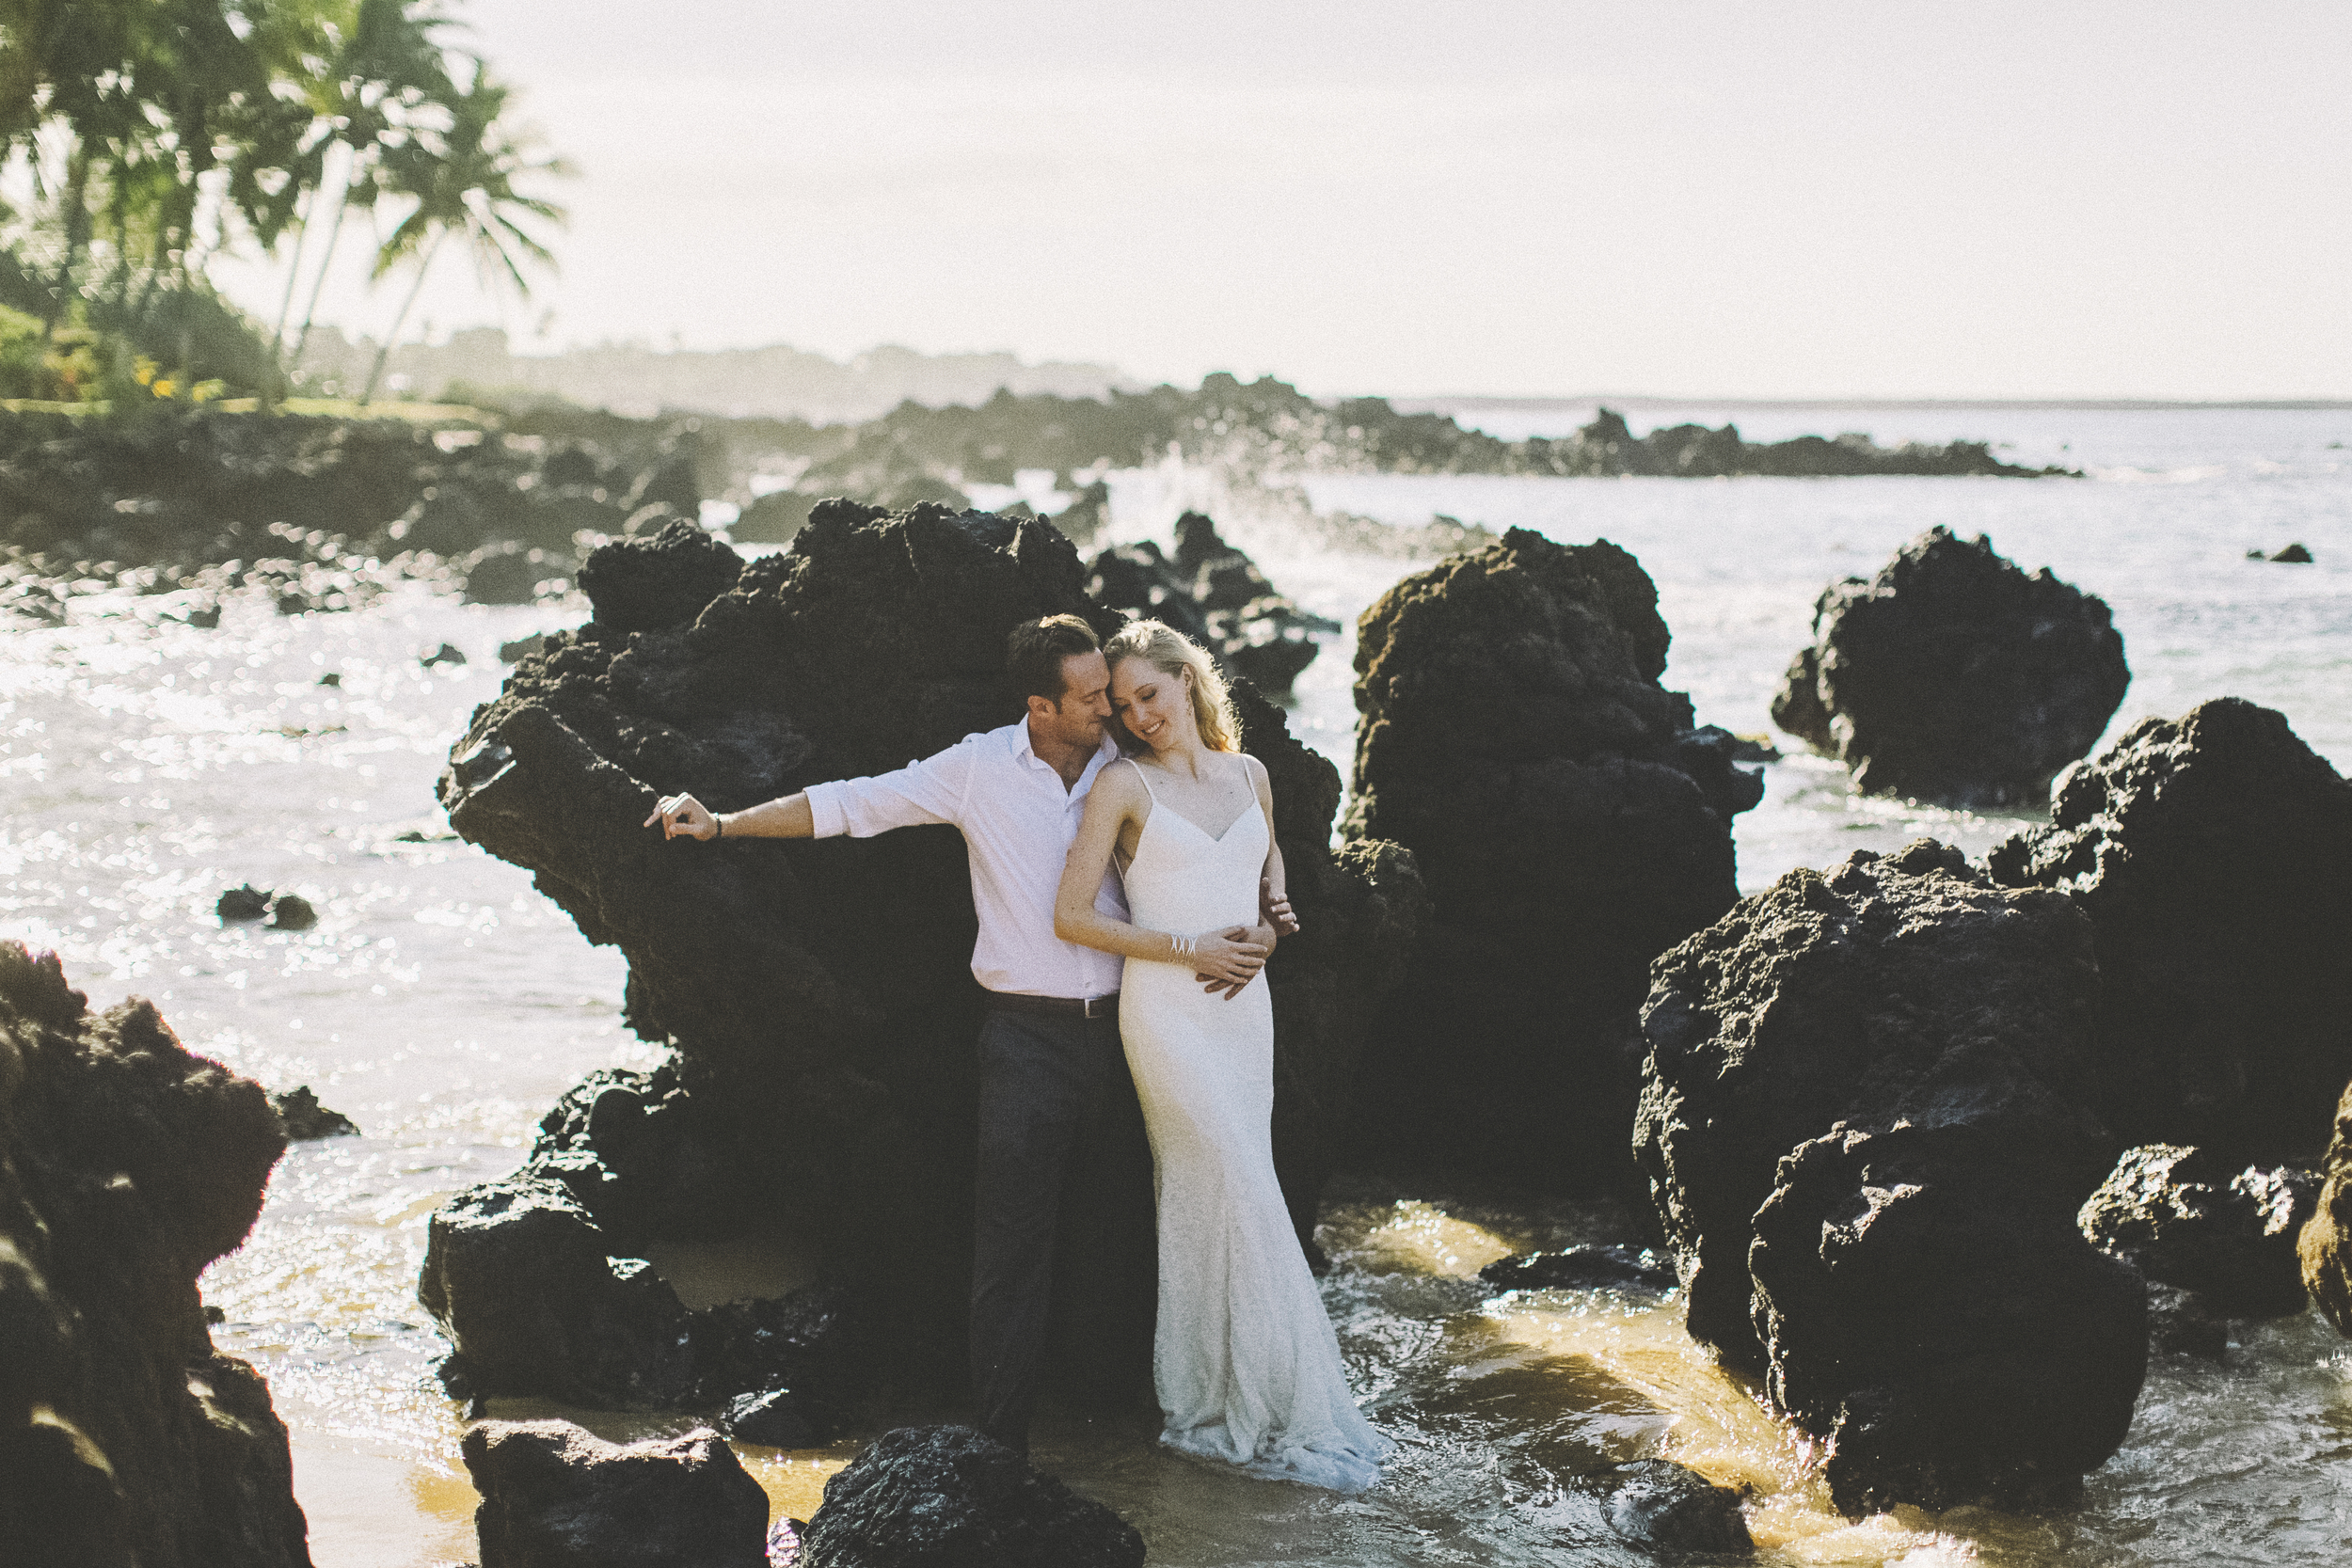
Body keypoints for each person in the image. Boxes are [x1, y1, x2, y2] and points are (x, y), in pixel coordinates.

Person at [640, 613, 1289, 1456]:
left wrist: (1271, 900)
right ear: (1041, 705)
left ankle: (1111, 1432)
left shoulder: (1128, 761)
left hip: (1135, 1030)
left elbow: (1224, 833)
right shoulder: (979, 768)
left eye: (1115, 691)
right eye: (1092, 696)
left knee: (1118, 1236)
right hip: (1025, 1039)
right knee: (1012, 1245)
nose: (1113, 709)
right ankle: (1000, 1443)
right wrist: (723, 822)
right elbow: (853, 803)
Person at [1054, 619, 1391, 1492]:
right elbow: (1074, 916)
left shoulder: (1252, 774)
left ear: (1188, 678)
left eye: (1150, 694)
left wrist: (1272, 919)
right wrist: (1189, 945)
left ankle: (1239, 1389)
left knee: (1232, 1189)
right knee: (1231, 1179)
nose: (1138, 715)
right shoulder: (1121, 786)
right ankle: (1238, 1400)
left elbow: (1267, 862)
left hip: (1246, 1016)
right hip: (1167, 1011)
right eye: (1124, 705)